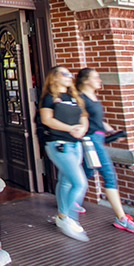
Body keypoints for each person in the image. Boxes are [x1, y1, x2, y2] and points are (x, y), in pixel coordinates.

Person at [76, 67, 134, 234]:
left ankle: (71, 198)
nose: (99, 80)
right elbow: (83, 121)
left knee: (87, 170)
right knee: (108, 174)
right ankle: (121, 218)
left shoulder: (92, 97)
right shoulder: (80, 99)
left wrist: (112, 131)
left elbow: (98, 120)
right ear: (85, 80)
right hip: (91, 140)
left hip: (98, 137)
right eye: (96, 77)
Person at [39, 65, 89, 242]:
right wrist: (70, 128)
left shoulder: (74, 97)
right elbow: (47, 119)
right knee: (80, 182)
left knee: (66, 181)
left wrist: (81, 130)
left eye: (70, 74)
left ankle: (62, 216)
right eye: (64, 74)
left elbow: (84, 117)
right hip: (58, 144)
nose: (69, 76)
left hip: (76, 144)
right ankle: (68, 218)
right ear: (54, 78)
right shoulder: (49, 98)